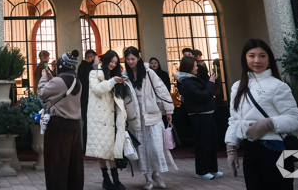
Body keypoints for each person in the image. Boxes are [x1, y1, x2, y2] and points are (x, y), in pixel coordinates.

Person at [225, 39, 298, 190]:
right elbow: (234, 120)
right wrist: (231, 147)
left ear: (269, 59)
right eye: (251, 55)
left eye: (262, 56)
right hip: (249, 151)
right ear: (245, 58)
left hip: (274, 150)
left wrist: (269, 123)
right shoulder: (237, 87)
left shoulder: (278, 86)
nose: (257, 60)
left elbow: (295, 118)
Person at [123, 47, 176, 190]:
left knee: (156, 147)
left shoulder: (148, 72)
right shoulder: (124, 75)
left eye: (133, 59)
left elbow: (162, 90)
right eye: (128, 59)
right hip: (135, 115)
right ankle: (148, 179)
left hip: (152, 113)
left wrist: (169, 110)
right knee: (141, 149)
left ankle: (156, 175)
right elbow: (123, 95)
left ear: (138, 58)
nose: (130, 61)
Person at [86, 49, 135, 190]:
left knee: (112, 149)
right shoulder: (94, 73)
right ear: (105, 60)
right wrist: (113, 81)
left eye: (115, 62)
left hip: (113, 117)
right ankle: (106, 179)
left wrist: (123, 116)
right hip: (99, 117)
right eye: (111, 61)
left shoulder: (117, 76)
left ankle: (115, 180)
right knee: (101, 148)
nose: (113, 64)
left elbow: (120, 99)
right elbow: (97, 90)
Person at [38, 50, 84, 190]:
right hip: (75, 127)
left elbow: (41, 93)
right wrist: (53, 79)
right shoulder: (78, 82)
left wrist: (44, 78)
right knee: (73, 164)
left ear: (61, 66)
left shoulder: (58, 82)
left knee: (56, 165)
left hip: (58, 127)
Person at [177, 56, 222, 180]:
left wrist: (210, 82)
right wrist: (211, 83)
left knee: (212, 142)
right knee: (203, 143)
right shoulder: (187, 82)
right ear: (189, 67)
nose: (197, 68)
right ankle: (202, 171)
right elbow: (203, 96)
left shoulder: (193, 79)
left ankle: (212, 169)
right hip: (199, 114)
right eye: (195, 66)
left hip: (207, 112)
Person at [78, 49, 97, 147]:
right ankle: (87, 145)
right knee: (88, 122)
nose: (95, 60)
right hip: (87, 97)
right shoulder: (87, 68)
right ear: (89, 57)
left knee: (86, 122)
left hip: (83, 97)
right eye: (94, 58)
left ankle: (86, 145)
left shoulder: (81, 67)